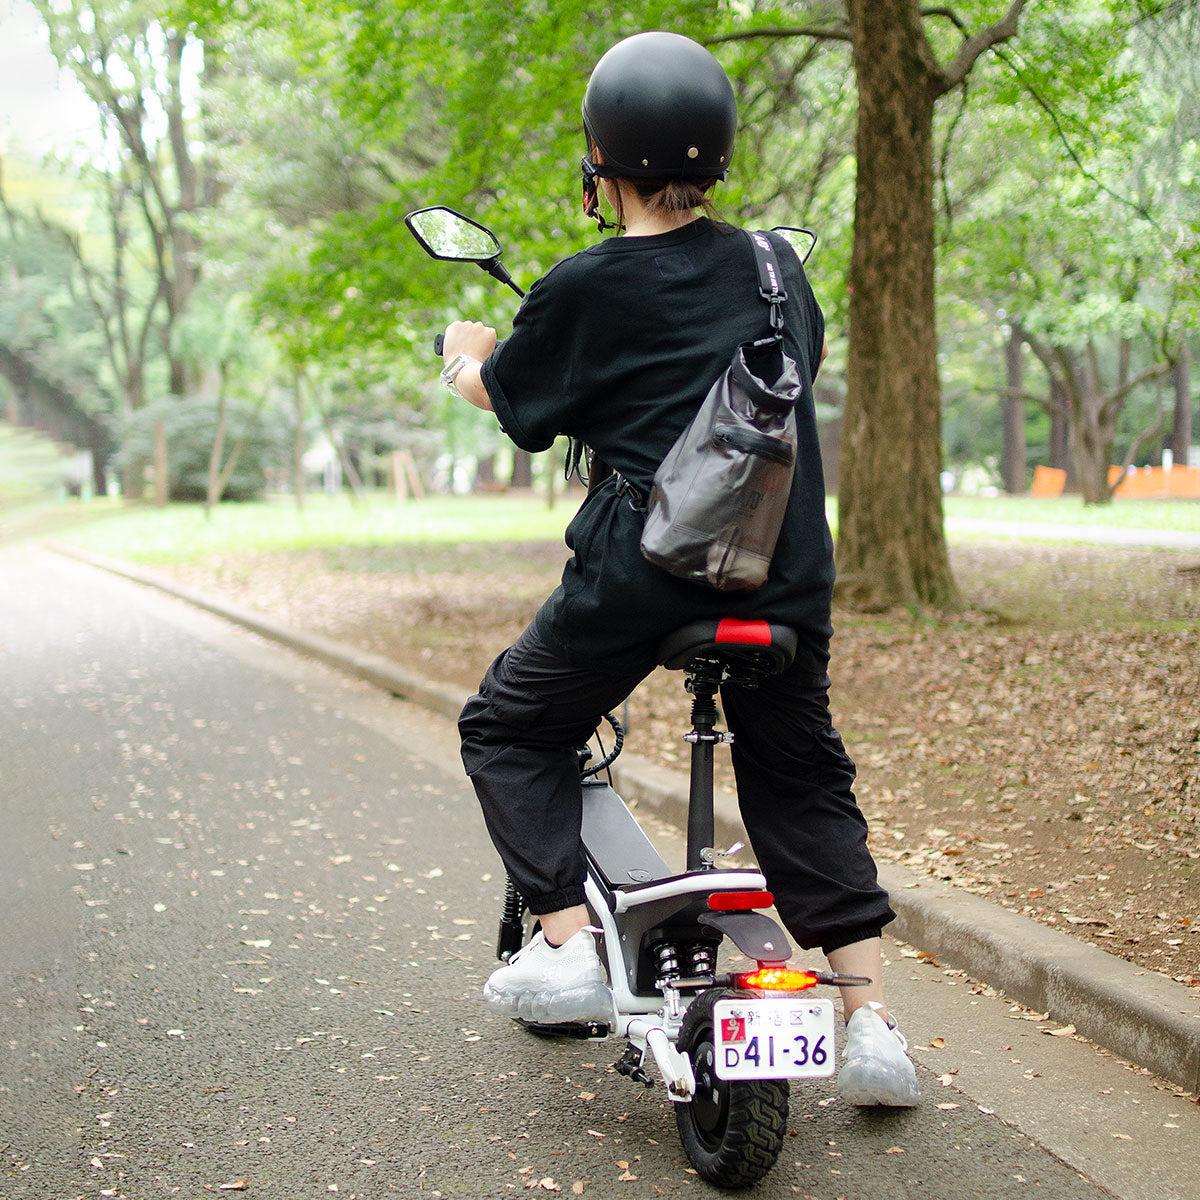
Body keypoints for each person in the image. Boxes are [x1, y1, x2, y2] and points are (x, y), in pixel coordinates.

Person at [441, 31, 919, 1107]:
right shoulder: (776, 267)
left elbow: (514, 405)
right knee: (799, 774)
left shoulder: (586, 283)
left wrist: (464, 356)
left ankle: (567, 949)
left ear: (599, 162)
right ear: (717, 158)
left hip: (646, 576)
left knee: (510, 727)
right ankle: (874, 1026)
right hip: (785, 570)